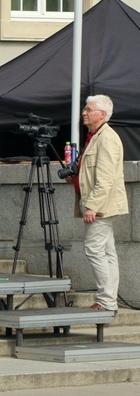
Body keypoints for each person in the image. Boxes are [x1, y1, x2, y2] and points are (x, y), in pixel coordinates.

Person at [73, 95, 128, 312]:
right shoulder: (98, 136)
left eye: (89, 109)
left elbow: (105, 178)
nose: (84, 112)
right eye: (85, 109)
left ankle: (106, 301)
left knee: (94, 249)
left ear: (102, 114)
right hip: (103, 204)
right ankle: (108, 299)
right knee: (106, 251)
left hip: (102, 206)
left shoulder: (106, 138)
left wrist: (93, 205)